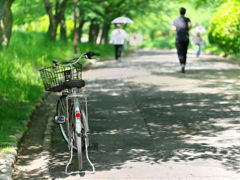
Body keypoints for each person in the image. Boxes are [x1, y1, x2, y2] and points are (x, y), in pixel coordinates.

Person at [172, 7, 192, 73]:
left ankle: (182, 64)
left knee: (179, 52)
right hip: (186, 37)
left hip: (179, 38)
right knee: (185, 52)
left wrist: (178, 28)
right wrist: (187, 29)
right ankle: (184, 64)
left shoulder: (176, 20)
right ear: (185, 12)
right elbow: (190, 25)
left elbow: (173, 28)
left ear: (179, 12)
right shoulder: (187, 19)